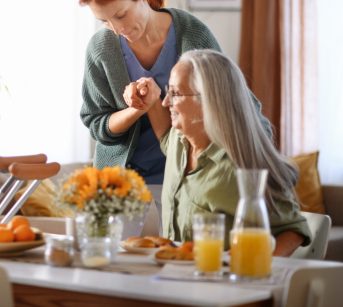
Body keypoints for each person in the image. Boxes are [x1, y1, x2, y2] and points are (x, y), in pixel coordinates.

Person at [78, 0, 272, 236]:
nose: (116, 29)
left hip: (187, 179)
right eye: (104, 21)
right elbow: (97, 124)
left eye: (120, 15)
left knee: (180, 269)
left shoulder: (192, 35)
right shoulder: (101, 48)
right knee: (114, 273)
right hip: (120, 185)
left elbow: (235, 101)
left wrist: (264, 160)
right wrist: (136, 109)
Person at [133, 50, 310, 256]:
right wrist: (150, 97)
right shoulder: (178, 141)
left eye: (176, 93)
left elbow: (293, 229)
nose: (166, 102)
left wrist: (250, 272)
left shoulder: (237, 167)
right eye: (167, 91)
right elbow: (165, 137)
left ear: (208, 100)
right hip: (175, 277)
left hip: (216, 281)